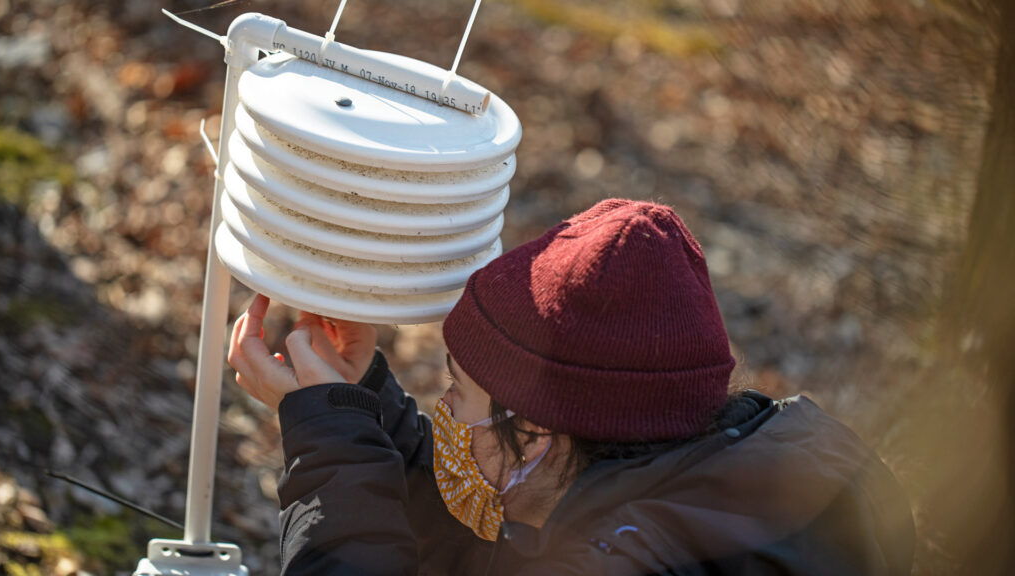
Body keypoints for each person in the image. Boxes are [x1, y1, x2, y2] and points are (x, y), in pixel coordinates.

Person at [228, 199, 915, 575]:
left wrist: (327, 443)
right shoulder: (726, 492)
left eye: (457, 389)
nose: (445, 408)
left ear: (534, 434)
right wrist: (362, 406)